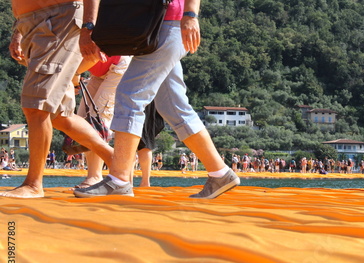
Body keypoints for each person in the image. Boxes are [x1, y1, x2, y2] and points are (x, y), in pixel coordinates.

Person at [75, 0, 240, 199]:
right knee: (173, 106)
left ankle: (119, 180)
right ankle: (220, 173)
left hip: (167, 21)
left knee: (130, 96)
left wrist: (190, 15)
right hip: (154, 24)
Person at [3, 0, 113, 198]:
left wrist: (88, 28)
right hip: (33, 24)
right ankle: (117, 162)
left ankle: (34, 184)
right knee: (60, 116)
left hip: (59, 20)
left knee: (37, 106)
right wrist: (18, 31)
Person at [73, 55, 131, 188]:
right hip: (98, 71)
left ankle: (95, 176)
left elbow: (92, 54)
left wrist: (74, 76)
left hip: (117, 66)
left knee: (98, 120)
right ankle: (93, 175)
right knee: (82, 120)